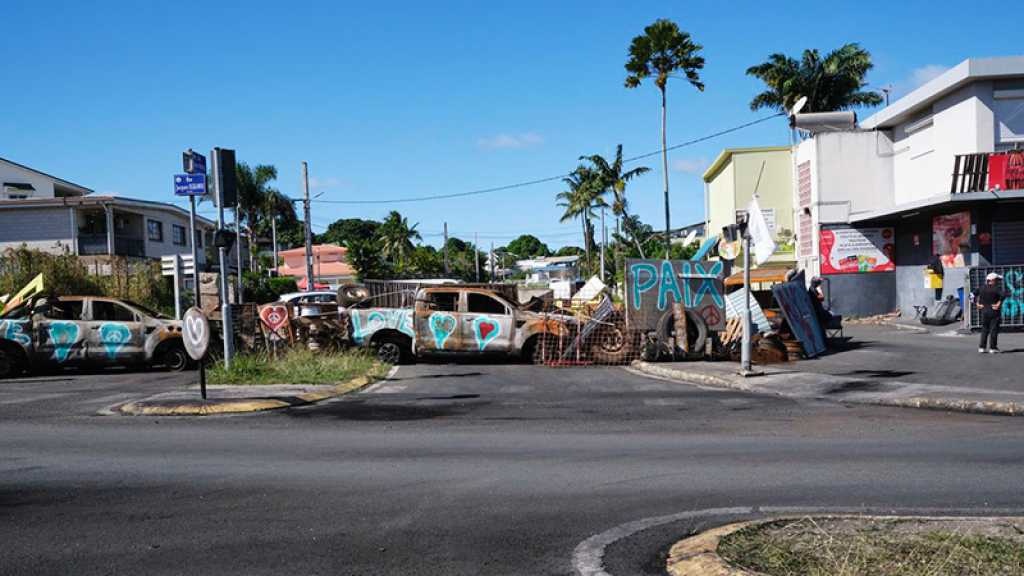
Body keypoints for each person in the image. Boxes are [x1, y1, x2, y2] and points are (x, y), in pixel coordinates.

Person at [976, 272, 1005, 354]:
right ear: (992, 280)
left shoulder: (981, 288)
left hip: (984, 311)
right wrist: (999, 303)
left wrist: (977, 303)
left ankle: (982, 347)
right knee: (993, 329)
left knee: (984, 329)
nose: (998, 282)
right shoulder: (996, 288)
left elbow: (971, 295)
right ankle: (993, 348)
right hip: (994, 311)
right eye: (997, 280)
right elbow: (1004, 295)